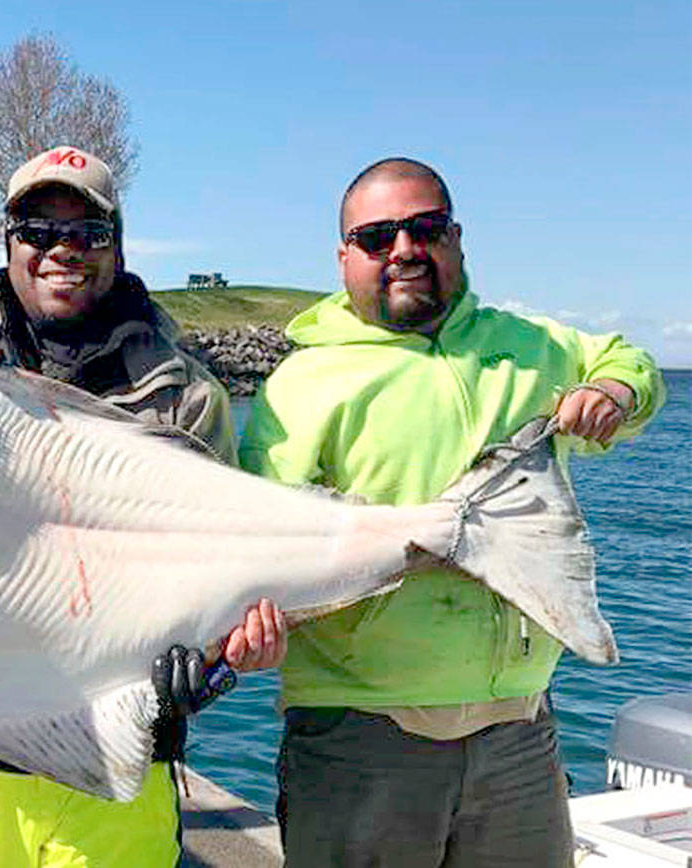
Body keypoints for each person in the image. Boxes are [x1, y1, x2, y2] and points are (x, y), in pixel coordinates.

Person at [239, 156, 666, 868]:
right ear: (345, 256)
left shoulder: (531, 349)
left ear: (456, 239)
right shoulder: (299, 387)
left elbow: (629, 361)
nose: (404, 251)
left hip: (523, 734)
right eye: (377, 238)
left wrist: (618, 392)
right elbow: (260, 554)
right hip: (362, 740)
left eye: (424, 228)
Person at [0, 145, 288, 868]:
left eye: (87, 232)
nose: (63, 251)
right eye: (38, 230)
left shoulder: (188, 396)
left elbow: (221, 571)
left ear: (116, 244)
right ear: (9, 242)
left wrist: (218, 664)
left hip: (120, 765)